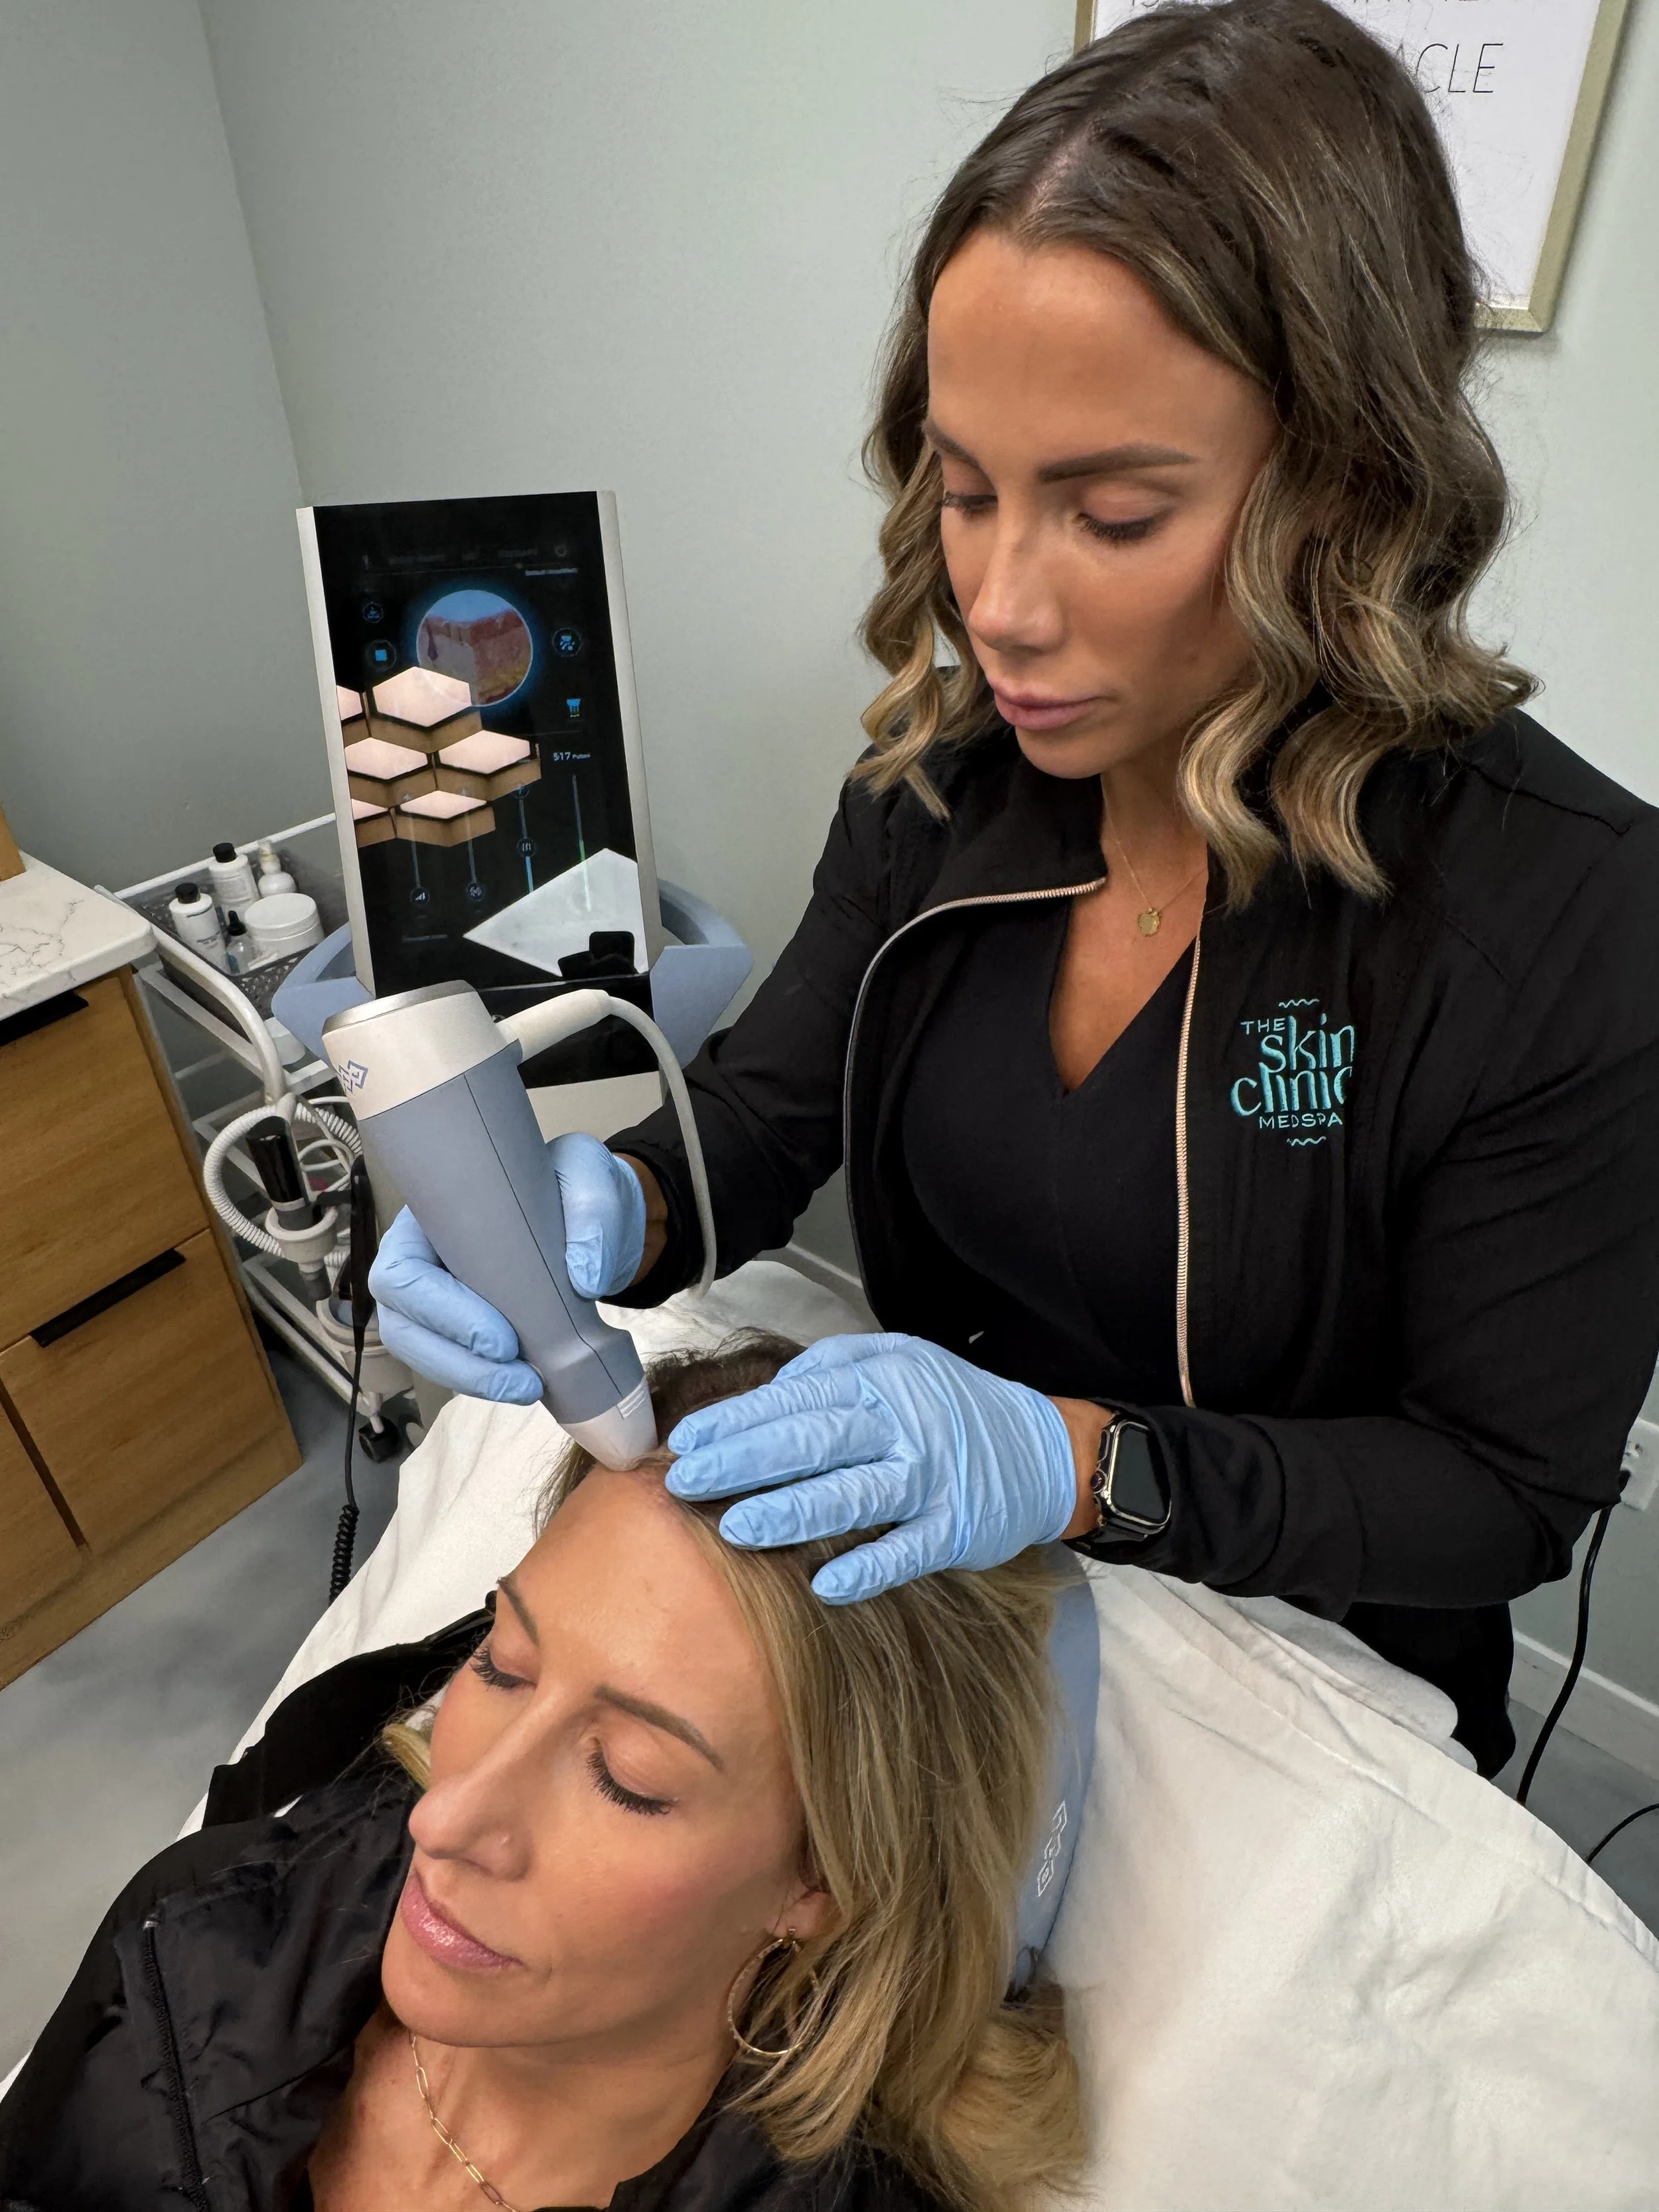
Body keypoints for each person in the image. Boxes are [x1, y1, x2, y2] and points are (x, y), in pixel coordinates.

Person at [372, 0, 1659, 1779]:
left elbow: (1494, 1494)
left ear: (1347, 492)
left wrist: (1073, 1463)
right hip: (941, 1597)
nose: (998, 607)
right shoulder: (946, 781)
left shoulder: (1568, 916)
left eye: (1112, 515)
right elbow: (768, 1111)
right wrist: (609, 1210)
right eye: (965, 492)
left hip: (1290, 1662)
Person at [0, 1336, 1082, 2212]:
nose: (444, 1820)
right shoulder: (195, 1931)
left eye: (628, 1778)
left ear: (824, 1882)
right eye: (502, 1666)